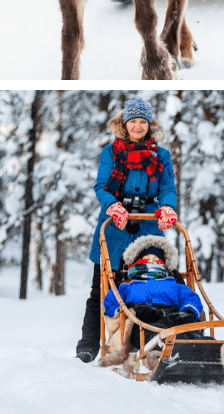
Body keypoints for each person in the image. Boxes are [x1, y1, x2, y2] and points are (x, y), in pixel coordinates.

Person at [75, 97, 178, 362]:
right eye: (133, 121)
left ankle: (153, 339)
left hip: (147, 224)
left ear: (149, 124)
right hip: (114, 227)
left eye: (143, 121)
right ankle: (89, 345)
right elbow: (102, 187)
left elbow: (167, 187)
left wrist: (167, 207)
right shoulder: (112, 152)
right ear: (124, 124)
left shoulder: (161, 156)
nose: (138, 126)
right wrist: (113, 206)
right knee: (103, 286)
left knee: (153, 282)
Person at [99, 236, 203, 364]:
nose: (152, 262)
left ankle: (207, 348)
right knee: (155, 331)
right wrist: (131, 309)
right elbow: (110, 305)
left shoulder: (174, 283)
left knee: (189, 331)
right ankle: (163, 354)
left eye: (156, 260)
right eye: (146, 259)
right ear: (136, 263)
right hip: (143, 321)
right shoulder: (126, 286)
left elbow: (191, 298)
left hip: (173, 316)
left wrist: (188, 312)